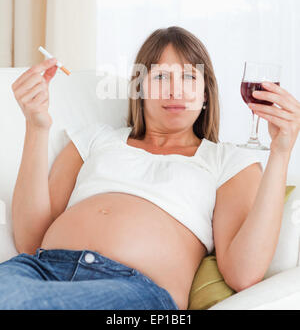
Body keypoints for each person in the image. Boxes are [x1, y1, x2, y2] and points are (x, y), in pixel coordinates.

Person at [1, 26, 299, 310]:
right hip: (39, 269)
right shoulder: (95, 139)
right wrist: (36, 126)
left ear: (205, 93)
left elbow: (243, 273)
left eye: (188, 77)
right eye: (160, 78)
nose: (175, 91)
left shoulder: (227, 161)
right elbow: (30, 239)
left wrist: (280, 152)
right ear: (139, 89)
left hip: (133, 288)